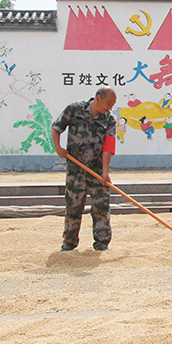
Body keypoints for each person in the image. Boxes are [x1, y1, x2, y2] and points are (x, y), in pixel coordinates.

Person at [51, 86, 118, 251]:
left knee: (101, 207)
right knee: (73, 206)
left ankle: (102, 243)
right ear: (98, 98)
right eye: (109, 103)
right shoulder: (74, 109)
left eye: (113, 104)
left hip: (96, 170)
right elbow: (56, 127)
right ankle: (69, 242)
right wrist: (58, 148)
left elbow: (108, 147)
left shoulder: (109, 119)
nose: (110, 107)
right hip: (76, 169)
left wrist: (104, 172)